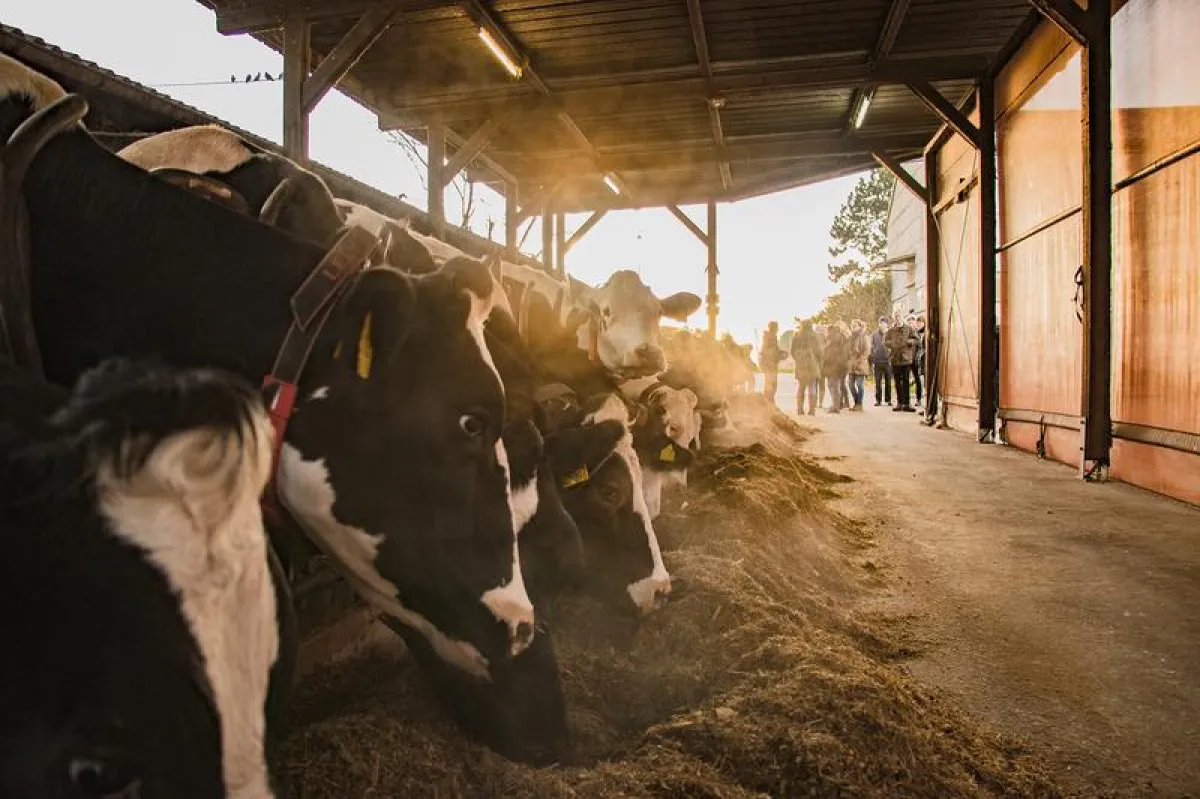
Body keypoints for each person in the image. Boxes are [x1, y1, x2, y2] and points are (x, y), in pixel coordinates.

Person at [885, 313, 918, 412]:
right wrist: (892, 344)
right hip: (895, 359)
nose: (897, 319)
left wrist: (910, 342)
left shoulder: (908, 329)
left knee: (906, 381)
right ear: (894, 319)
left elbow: (916, 339)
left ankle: (907, 404)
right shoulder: (890, 331)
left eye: (899, 316)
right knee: (897, 382)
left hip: (906, 359)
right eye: (895, 317)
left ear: (902, 318)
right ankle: (899, 403)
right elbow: (885, 341)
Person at [790, 318, 821, 415]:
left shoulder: (797, 335)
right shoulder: (814, 336)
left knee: (801, 387)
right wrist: (818, 361)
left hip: (801, 364)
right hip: (812, 364)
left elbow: (792, 351)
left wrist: (798, 359)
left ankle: (799, 409)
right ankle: (812, 410)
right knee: (812, 386)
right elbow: (818, 351)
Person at [821, 320, 850, 414]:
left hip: (834, 367)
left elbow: (831, 354)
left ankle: (836, 406)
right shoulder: (839, 338)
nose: (826, 333)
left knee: (833, 386)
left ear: (830, 331)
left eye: (826, 331)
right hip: (837, 366)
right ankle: (835, 405)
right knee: (833, 386)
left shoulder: (833, 339)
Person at [847, 319, 870, 411]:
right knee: (850, 384)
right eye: (852, 325)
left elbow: (867, 351)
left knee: (859, 384)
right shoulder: (850, 337)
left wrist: (860, 360)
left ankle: (859, 404)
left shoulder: (864, 337)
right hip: (851, 364)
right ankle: (856, 403)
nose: (853, 327)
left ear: (860, 326)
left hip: (860, 364)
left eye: (855, 325)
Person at [759, 321, 784, 405]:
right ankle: (769, 403)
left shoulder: (770, 337)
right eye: (777, 327)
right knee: (771, 385)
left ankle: (768, 403)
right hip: (770, 365)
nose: (778, 329)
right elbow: (770, 352)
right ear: (774, 328)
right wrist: (780, 355)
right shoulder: (770, 337)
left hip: (770, 364)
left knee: (770, 385)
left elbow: (772, 351)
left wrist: (780, 353)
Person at [870, 316, 892, 406]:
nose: (882, 324)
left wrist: (891, 356)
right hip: (877, 361)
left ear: (887, 324)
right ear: (879, 324)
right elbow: (871, 347)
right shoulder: (874, 334)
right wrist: (873, 357)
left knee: (888, 382)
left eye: (884, 323)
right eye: (881, 323)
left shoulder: (890, 333)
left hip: (888, 362)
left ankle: (888, 400)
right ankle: (878, 400)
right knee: (878, 382)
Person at [912, 313, 927, 408]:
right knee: (919, 381)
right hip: (916, 361)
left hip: (924, 361)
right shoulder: (915, 334)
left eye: (920, 323)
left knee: (924, 382)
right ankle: (919, 399)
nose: (918, 325)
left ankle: (925, 403)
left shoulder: (926, 333)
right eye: (917, 323)